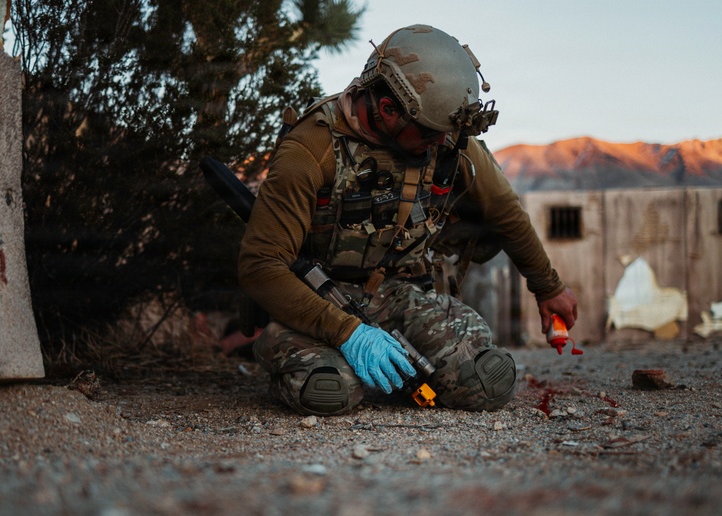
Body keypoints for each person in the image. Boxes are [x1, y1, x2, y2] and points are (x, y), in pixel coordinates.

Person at [238, 24, 578, 416]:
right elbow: (260, 266)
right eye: (431, 133)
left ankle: (401, 372)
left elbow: (504, 211)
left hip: (400, 295)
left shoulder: (447, 138)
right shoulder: (311, 150)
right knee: (329, 392)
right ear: (387, 110)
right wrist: (347, 333)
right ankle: (338, 360)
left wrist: (548, 287)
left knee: (488, 381)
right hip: (318, 299)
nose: (442, 143)